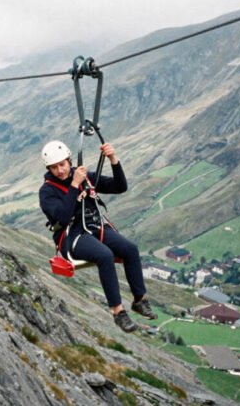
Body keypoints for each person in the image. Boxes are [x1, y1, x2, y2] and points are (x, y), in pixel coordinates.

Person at [38, 140, 157, 332]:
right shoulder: (47, 191)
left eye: (62, 164)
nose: (60, 170)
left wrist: (113, 159)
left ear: (69, 161)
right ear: (49, 169)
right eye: (54, 167)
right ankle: (118, 312)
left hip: (94, 227)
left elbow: (120, 186)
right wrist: (75, 184)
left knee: (130, 249)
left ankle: (139, 300)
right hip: (71, 235)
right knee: (104, 255)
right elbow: (63, 217)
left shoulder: (85, 178)